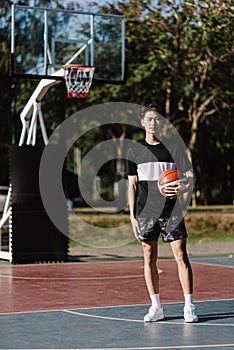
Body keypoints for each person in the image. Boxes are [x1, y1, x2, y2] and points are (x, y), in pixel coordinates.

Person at [127, 104, 198, 323]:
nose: (153, 123)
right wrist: (131, 216)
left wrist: (184, 186)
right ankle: (156, 306)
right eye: (149, 119)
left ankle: (189, 306)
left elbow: (189, 176)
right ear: (142, 122)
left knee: (181, 255)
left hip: (171, 210)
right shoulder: (134, 150)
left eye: (157, 119)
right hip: (146, 212)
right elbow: (132, 185)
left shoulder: (174, 147)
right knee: (149, 257)